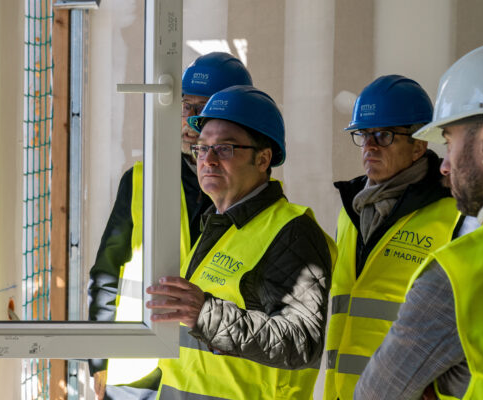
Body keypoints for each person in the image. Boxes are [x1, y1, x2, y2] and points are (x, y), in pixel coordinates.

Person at [145, 85, 336, 399]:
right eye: (202, 148)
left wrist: (204, 313)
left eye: (225, 149)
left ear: (263, 159)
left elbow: (302, 341)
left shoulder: (293, 232)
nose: (208, 160)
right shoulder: (220, 225)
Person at [87, 52, 253, 400]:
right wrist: (97, 357)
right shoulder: (141, 181)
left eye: (203, 110)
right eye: (184, 107)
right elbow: (107, 272)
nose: (189, 121)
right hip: (137, 369)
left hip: (207, 374)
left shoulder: (254, 199)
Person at [355, 44, 483, 400]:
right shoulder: (348, 213)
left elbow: (377, 394)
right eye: (363, 135)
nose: (444, 165)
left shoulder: (463, 272)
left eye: (448, 144)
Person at [323, 75, 463, 400]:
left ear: (419, 145)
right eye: (362, 134)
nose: (369, 146)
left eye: (383, 135)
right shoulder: (350, 209)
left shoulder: (453, 212)